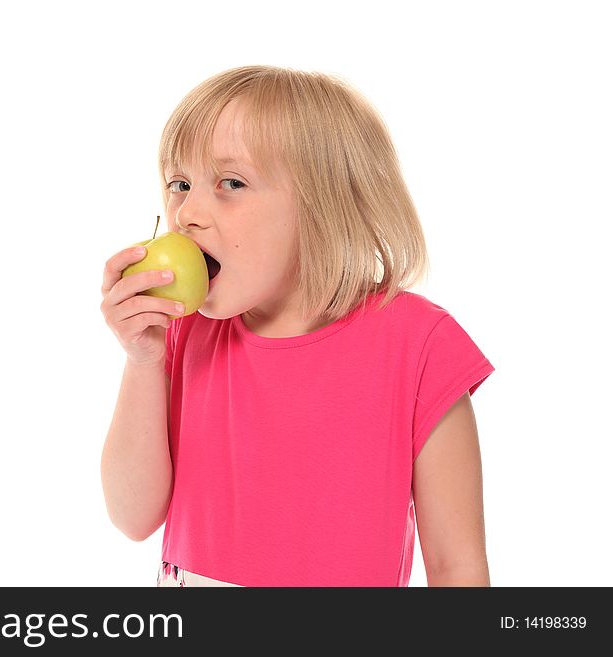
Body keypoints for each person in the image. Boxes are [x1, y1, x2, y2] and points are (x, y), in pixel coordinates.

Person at [99, 65, 495, 587]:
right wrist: (142, 360)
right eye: (179, 184)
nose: (186, 213)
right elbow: (132, 517)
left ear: (322, 206)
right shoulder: (184, 332)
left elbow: (456, 566)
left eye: (230, 183)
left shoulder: (417, 345)